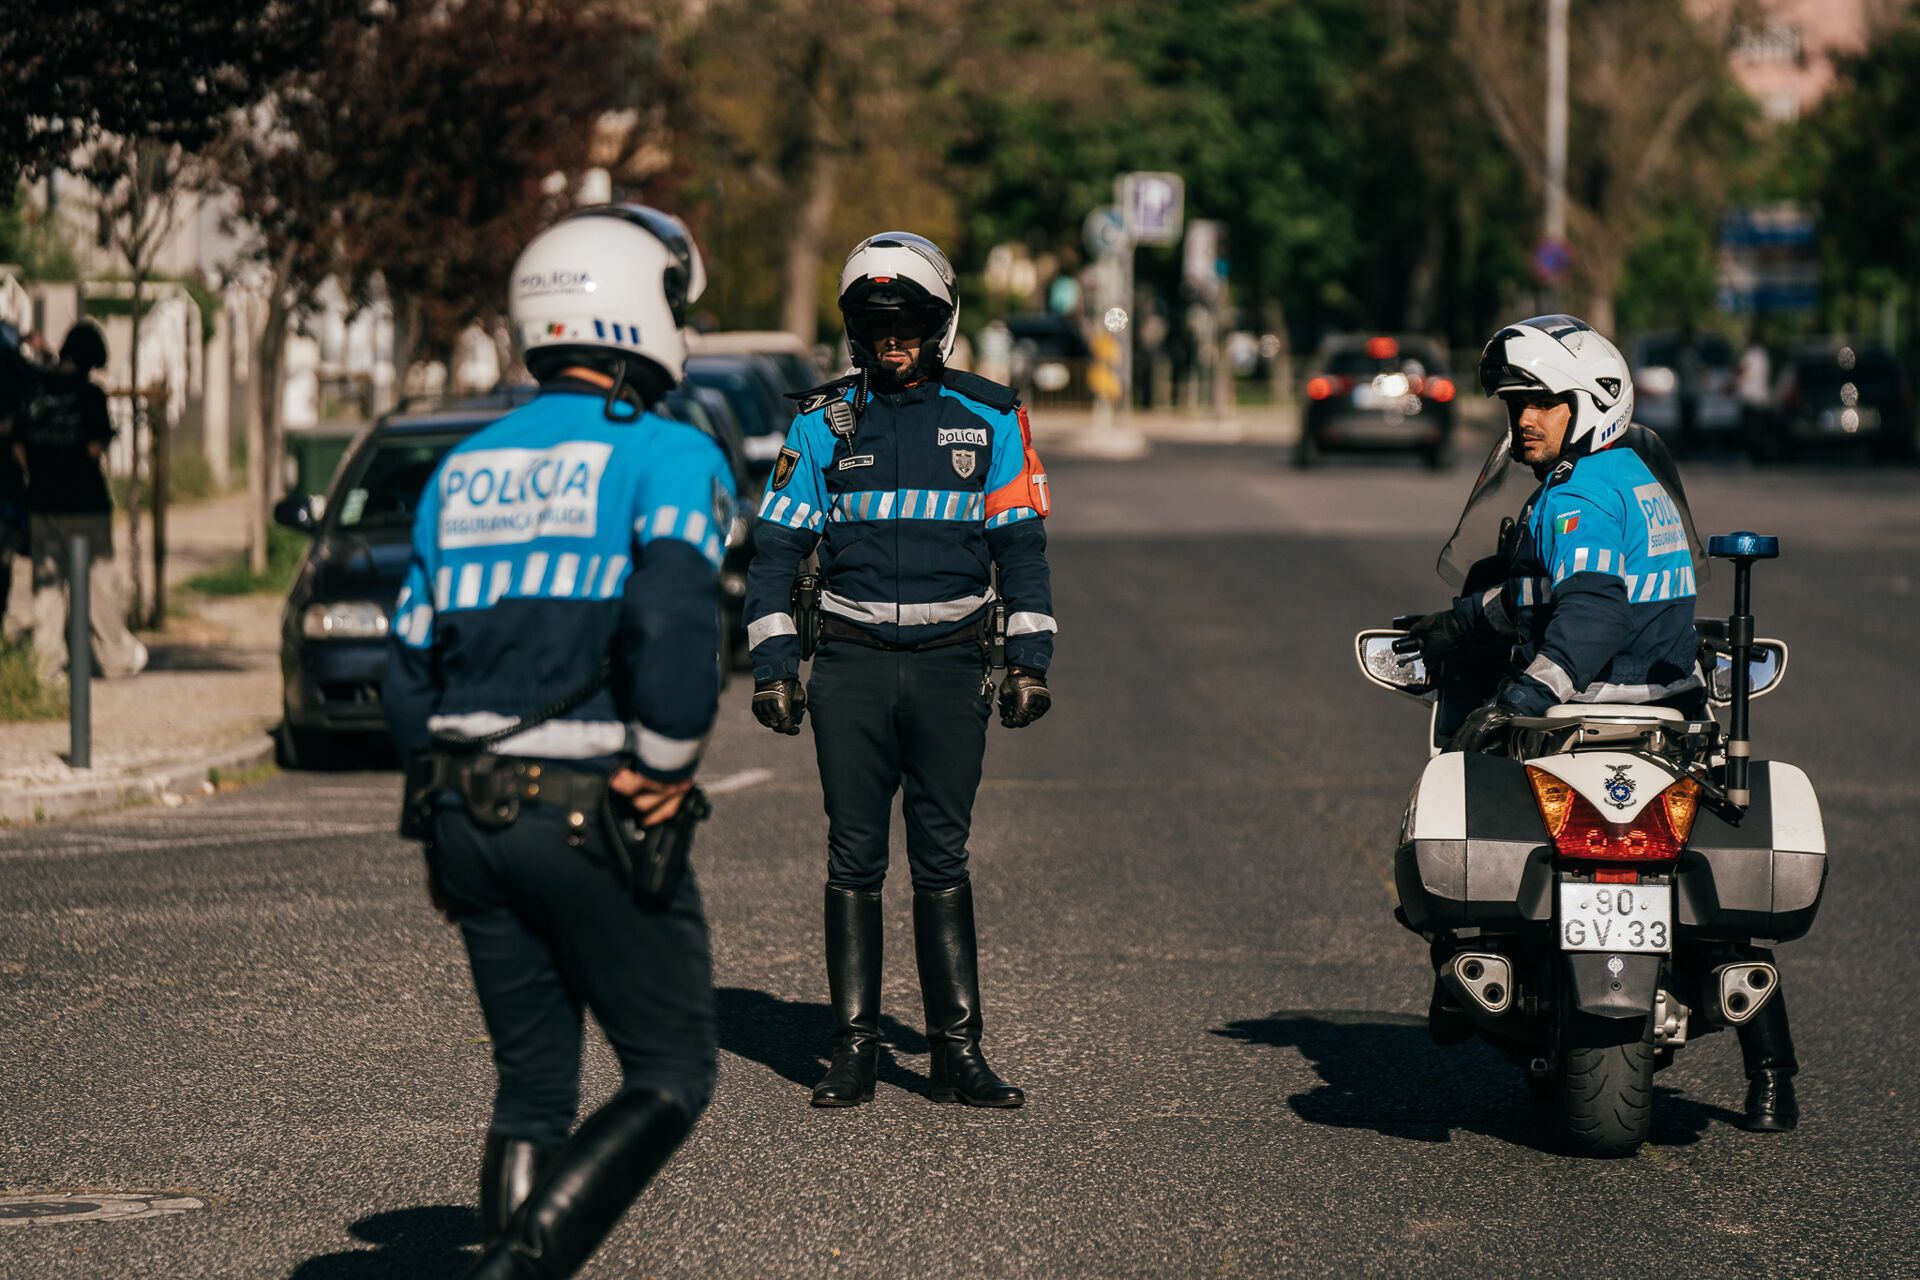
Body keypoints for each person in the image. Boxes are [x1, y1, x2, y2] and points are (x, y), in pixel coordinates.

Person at [383, 205, 736, 1279]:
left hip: (463, 810)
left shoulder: (462, 467)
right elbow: (677, 613)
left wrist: (431, 819)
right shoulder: (669, 452)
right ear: (637, 310)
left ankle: (510, 1256)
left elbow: (407, 662)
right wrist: (667, 762)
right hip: (591, 800)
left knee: (534, 1081)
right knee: (673, 1067)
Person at [1403, 313, 1798, 1132]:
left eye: (1543, 402)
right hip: (1673, 713)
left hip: (1589, 711)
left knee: (1477, 791)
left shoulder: (1578, 494)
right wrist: (1469, 616)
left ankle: (1460, 975)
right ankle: (1773, 1081)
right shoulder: (1636, 478)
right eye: (1517, 404)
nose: (1524, 420)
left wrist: (1519, 701)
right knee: (1725, 925)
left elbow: (1588, 610)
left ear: (1592, 401)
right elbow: (1542, 592)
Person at [744, 231, 1055, 1109]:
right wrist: (775, 665)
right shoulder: (820, 423)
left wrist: (1029, 659)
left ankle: (957, 1052)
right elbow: (774, 557)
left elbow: (1023, 553)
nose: (892, 341)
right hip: (848, 669)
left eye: (908, 324)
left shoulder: (991, 418)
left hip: (954, 667)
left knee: (942, 859)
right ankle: (853, 1052)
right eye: (874, 326)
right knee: (853, 861)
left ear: (939, 324)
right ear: (853, 332)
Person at [17, 319, 147, 680]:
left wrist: (41, 471)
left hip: (43, 501)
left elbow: (18, 445)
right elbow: (94, 448)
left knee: (47, 588)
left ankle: (47, 667)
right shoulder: (90, 395)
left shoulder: (34, 389)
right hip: (85, 502)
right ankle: (114, 657)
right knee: (99, 585)